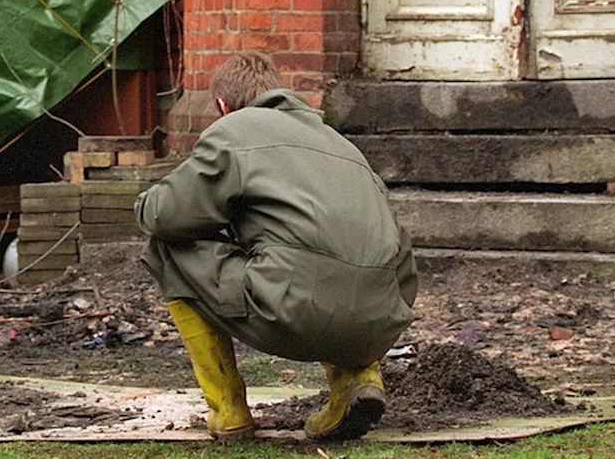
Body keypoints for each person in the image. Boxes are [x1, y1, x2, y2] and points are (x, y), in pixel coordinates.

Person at [136, 51, 417, 443]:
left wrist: (146, 203)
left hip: (294, 311)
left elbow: (165, 215)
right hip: (381, 319)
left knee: (165, 247)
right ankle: (356, 383)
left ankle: (228, 410)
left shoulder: (234, 131)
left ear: (223, 105)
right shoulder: (340, 144)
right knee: (331, 248)